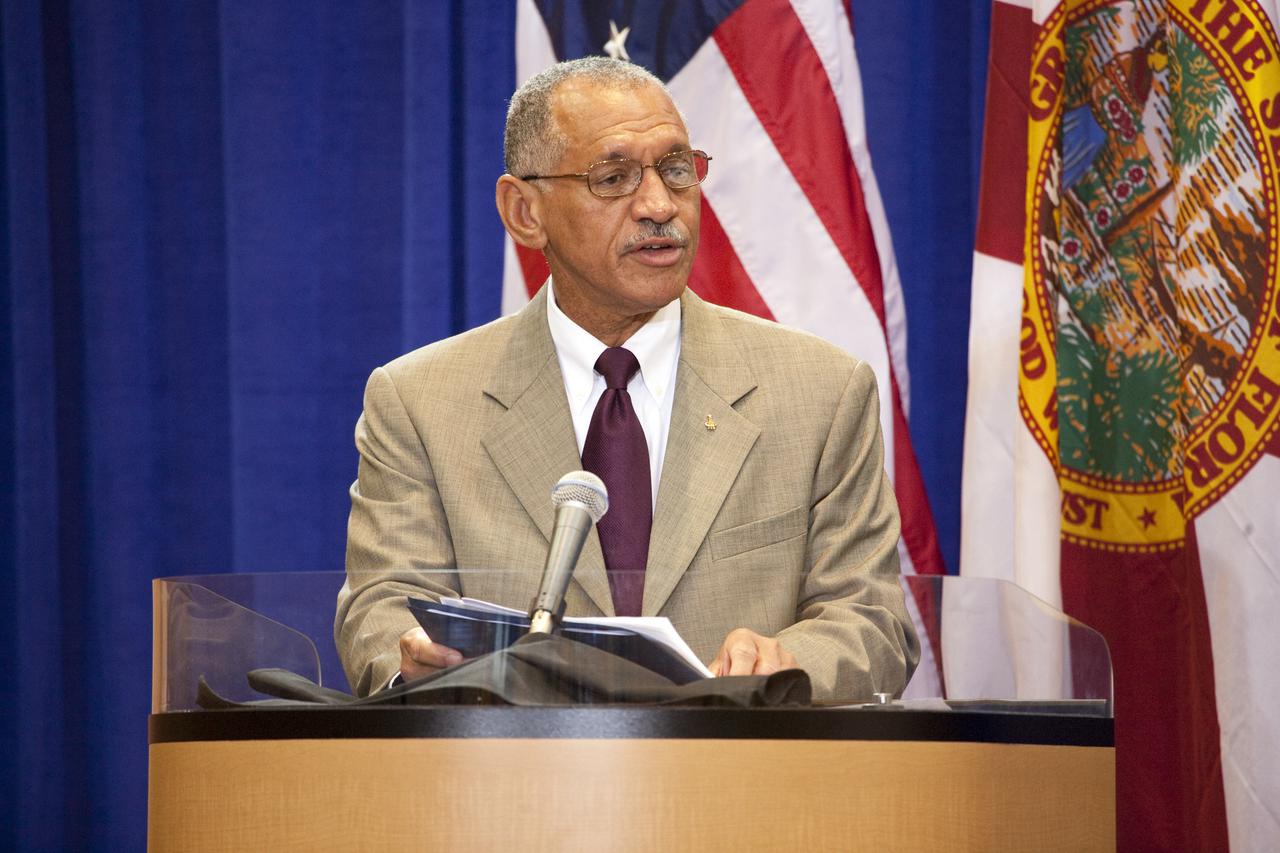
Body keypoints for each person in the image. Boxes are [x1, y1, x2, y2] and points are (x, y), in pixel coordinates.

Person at [335, 57, 919, 703]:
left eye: (676, 169)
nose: (660, 205)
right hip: (511, 761)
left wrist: (786, 664)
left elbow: (872, 622)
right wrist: (415, 661)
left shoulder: (821, 391)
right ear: (525, 211)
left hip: (739, 759)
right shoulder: (419, 402)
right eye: (613, 178)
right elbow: (383, 607)